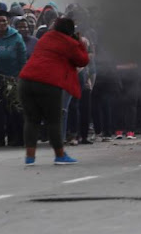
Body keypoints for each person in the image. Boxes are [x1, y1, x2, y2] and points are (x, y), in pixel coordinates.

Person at [18, 17, 89, 165]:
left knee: (31, 120)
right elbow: (83, 60)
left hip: (26, 80)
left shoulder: (45, 37)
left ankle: (30, 157)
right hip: (48, 82)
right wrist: (79, 43)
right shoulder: (70, 43)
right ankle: (60, 155)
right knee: (54, 121)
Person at [0, 10, 27, 148]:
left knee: (15, 109)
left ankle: (16, 139)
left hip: (14, 78)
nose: (2, 23)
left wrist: (20, 77)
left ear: (8, 22)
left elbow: (22, 59)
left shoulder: (17, 37)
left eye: (4, 20)